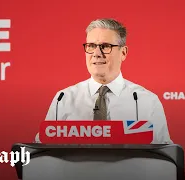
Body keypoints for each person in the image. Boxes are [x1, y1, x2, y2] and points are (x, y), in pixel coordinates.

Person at [35, 18, 172, 144]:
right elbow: (42, 149)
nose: (96, 53)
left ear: (123, 53)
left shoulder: (146, 101)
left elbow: (165, 157)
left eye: (105, 46)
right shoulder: (63, 99)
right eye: (91, 46)